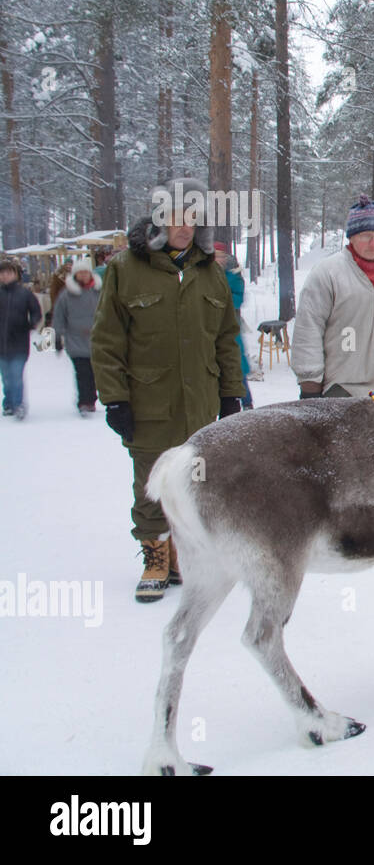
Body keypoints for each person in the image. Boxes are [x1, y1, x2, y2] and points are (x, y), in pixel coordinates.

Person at [91, 178, 245, 602]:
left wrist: (232, 394)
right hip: (148, 404)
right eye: (177, 216)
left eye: (193, 218)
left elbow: (226, 340)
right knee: (151, 483)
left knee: (194, 483)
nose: (185, 226)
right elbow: (106, 341)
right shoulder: (126, 269)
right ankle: (155, 557)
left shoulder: (210, 273)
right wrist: (115, 398)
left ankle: (182, 556)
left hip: (199, 407)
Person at [292, 194, 374, 399]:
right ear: (352, 237)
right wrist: (310, 386)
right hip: (338, 390)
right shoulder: (328, 273)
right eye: (365, 236)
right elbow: (308, 329)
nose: (373, 243)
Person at [51, 257, 101, 415]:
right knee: (82, 372)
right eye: (80, 273)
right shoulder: (66, 295)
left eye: (86, 272)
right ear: (75, 275)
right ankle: (84, 402)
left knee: (94, 373)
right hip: (76, 340)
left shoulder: (99, 291)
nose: (84, 275)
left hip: (97, 340)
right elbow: (58, 316)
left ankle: (91, 399)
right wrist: (57, 338)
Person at [0, 256, 42, 419]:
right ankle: (9, 403)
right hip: (1, 344)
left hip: (19, 343)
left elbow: (36, 312)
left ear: (15, 274)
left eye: (8, 273)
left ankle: (19, 405)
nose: (5, 276)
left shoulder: (24, 294)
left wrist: (30, 324)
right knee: (7, 378)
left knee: (16, 375)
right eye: (2, 273)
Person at [213, 242, 254, 408]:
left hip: (231, 326)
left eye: (221, 256)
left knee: (236, 365)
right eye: (215, 256)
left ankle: (246, 402)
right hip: (211, 328)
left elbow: (238, 299)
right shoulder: (206, 273)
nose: (218, 259)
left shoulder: (233, 275)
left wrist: (218, 300)